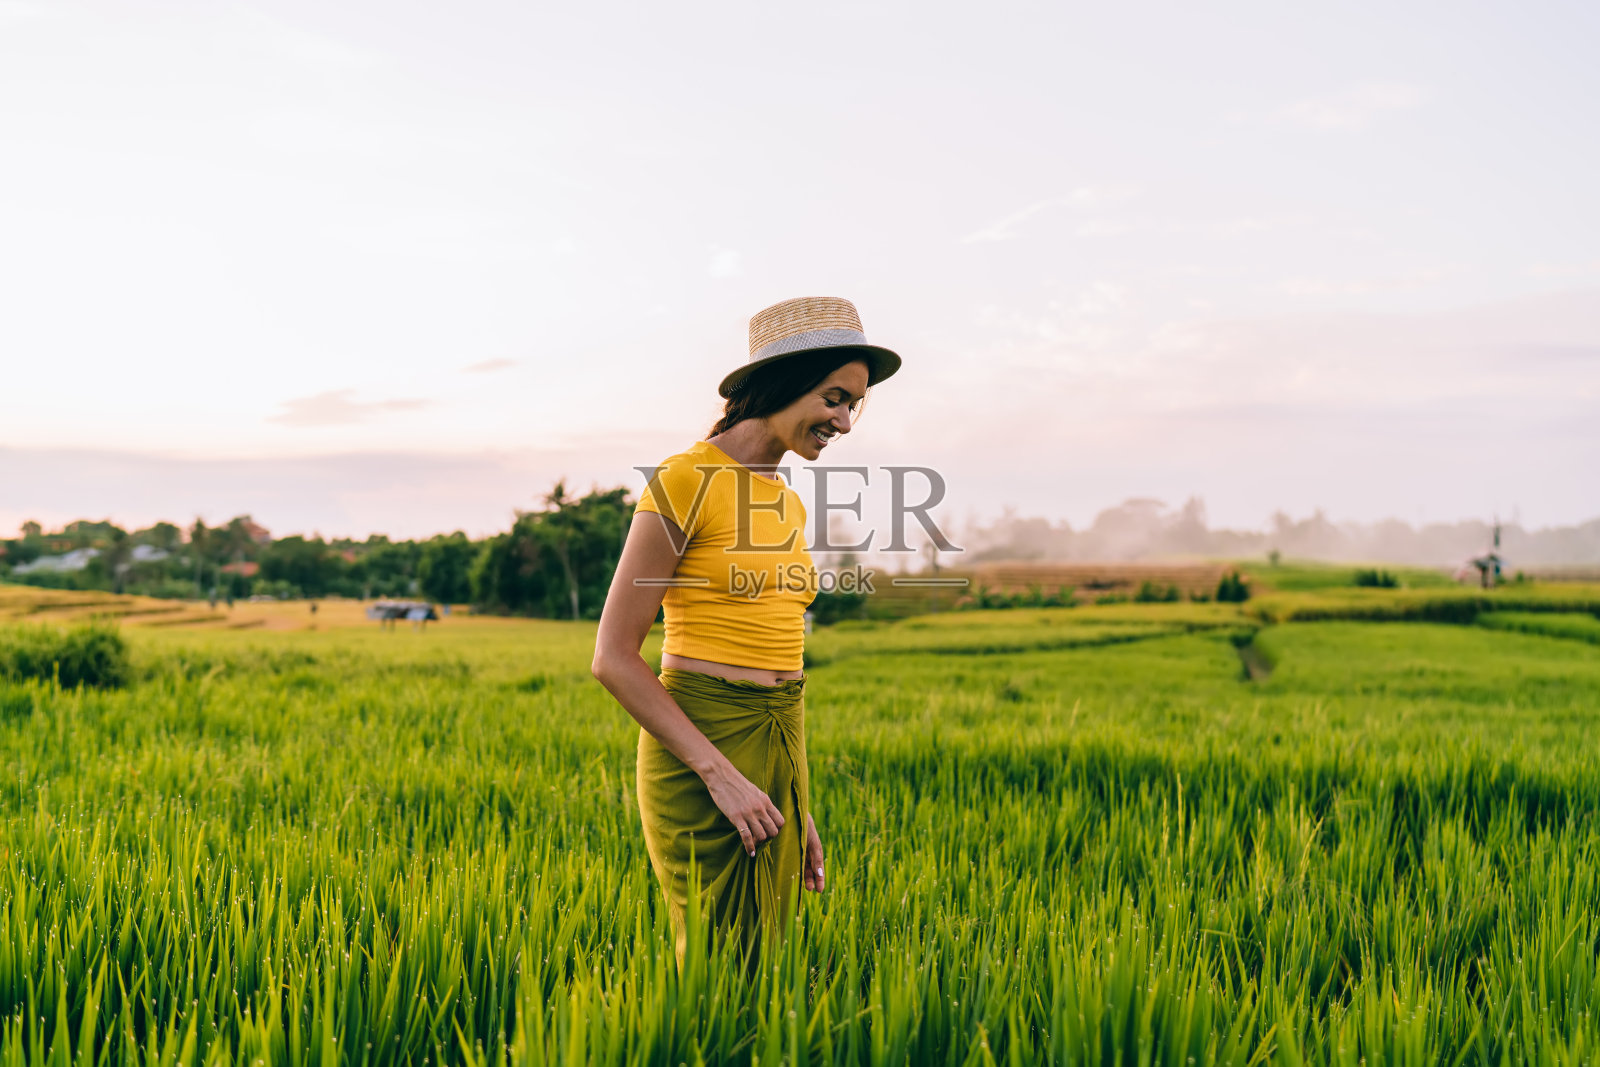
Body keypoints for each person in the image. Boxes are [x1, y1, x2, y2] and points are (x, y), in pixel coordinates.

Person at [592, 295, 900, 966]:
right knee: (716, 964)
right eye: (835, 397)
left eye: (855, 406)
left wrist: (799, 796)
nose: (845, 421)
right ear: (787, 383)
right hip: (703, 743)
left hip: (780, 739)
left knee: (766, 966)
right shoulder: (685, 479)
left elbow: (775, 648)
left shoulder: (786, 499)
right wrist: (717, 771)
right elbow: (614, 657)